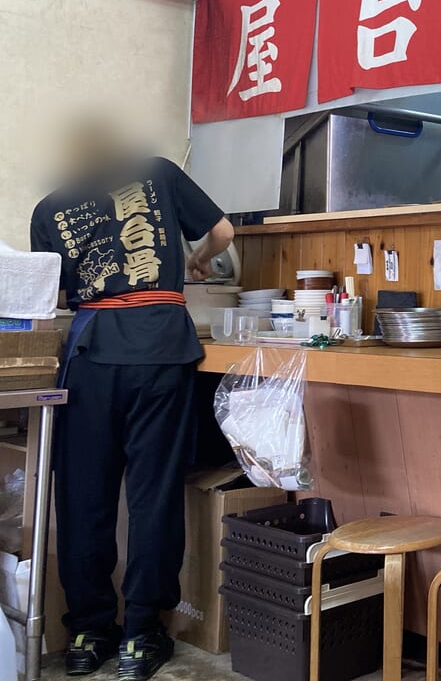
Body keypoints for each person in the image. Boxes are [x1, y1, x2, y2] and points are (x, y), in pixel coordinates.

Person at [30, 128, 233, 680]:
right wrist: (195, 261)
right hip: (161, 349)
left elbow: (55, 294)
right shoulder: (159, 173)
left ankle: (87, 634)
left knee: (83, 498)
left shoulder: (50, 208)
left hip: (92, 355)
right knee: (153, 495)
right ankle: (141, 637)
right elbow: (222, 232)